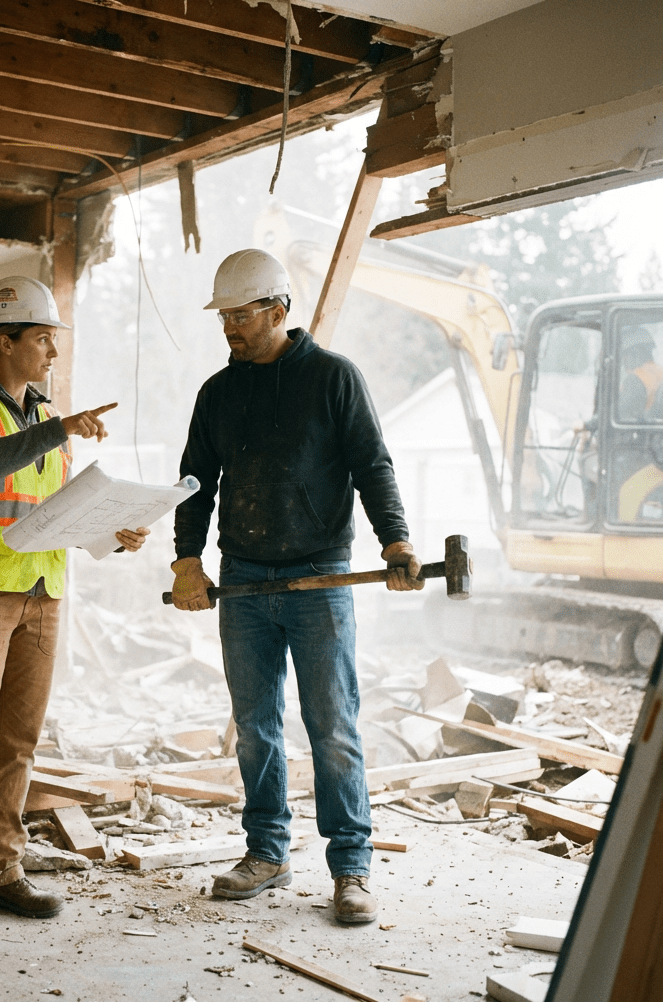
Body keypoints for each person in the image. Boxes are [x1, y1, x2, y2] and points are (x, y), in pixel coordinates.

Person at [169, 249, 424, 926]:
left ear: (278, 311)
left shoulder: (335, 379)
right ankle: (268, 852)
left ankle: (350, 868)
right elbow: (194, 483)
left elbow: (373, 465)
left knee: (333, 727)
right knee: (254, 729)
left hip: (321, 578)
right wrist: (185, 559)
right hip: (244, 581)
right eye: (223, 315)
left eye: (241, 314)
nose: (229, 326)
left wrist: (395, 541)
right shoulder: (217, 394)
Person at [0, 275, 149, 952]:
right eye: (41, 339)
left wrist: (112, 533)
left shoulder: (42, 415)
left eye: (53, 341)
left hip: (42, 591)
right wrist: (60, 427)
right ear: (0, 342)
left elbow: (52, 513)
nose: (52, 352)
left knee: (17, 743)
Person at [617, 325, 662, 422]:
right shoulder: (659, 371)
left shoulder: (635, 379)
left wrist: (588, 424)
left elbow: (620, 412)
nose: (624, 361)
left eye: (625, 355)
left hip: (643, 433)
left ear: (635, 353)